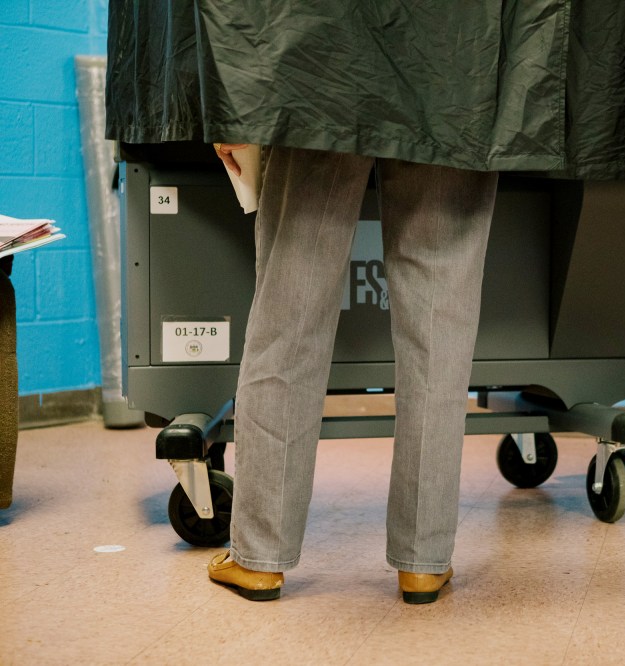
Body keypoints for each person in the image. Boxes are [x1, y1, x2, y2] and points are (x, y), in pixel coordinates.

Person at [205, 144, 498, 603]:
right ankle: (423, 561)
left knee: (292, 303)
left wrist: (234, 119)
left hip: (321, 105)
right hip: (453, 108)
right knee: (439, 316)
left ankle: (259, 558)